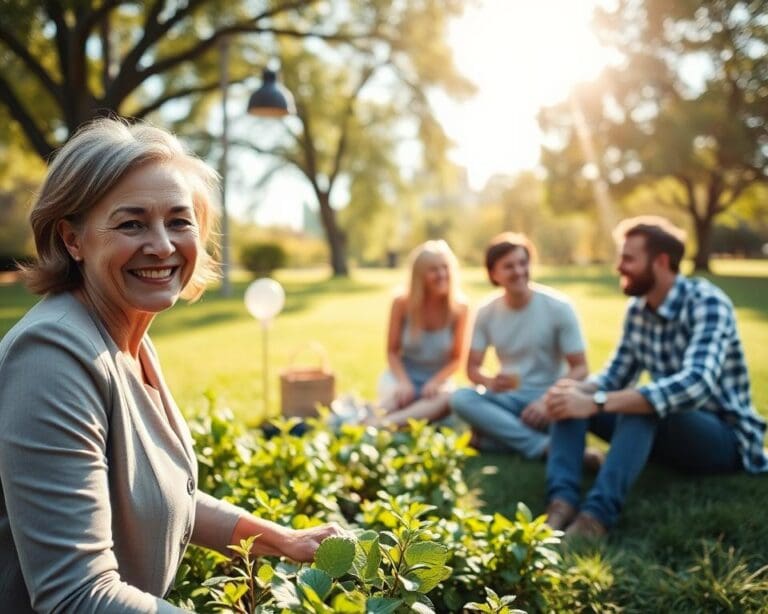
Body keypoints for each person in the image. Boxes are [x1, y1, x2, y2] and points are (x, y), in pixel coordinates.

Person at [0, 118, 346, 612]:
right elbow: (76, 595)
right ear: (73, 239)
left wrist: (283, 540)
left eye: (179, 221)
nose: (162, 245)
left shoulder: (129, 338)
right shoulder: (51, 357)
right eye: (132, 223)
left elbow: (150, 493)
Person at [544, 216, 768, 539]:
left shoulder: (708, 303)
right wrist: (580, 391)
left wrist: (596, 402)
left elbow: (696, 384)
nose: (619, 266)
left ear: (661, 262)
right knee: (569, 398)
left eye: (628, 259)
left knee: (643, 404)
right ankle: (561, 503)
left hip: (725, 438)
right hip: (671, 430)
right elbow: (616, 374)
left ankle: (594, 519)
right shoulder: (638, 310)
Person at [449, 232, 590, 459]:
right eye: (509, 266)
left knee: (570, 413)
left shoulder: (559, 307)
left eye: (523, 263)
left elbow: (581, 368)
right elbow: (472, 369)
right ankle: (540, 445)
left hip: (550, 396)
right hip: (509, 398)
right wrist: (489, 381)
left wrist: (546, 401)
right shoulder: (486, 312)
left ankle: (498, 438)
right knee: (461, 398)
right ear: (493, 274)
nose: (519, 271)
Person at [368, 240, 469, 427]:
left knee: (448, 398)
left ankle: (383, 425)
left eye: (445, 268)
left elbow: (457, 359)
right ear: (419, 275)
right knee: (397, 397)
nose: (441, 274)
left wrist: (435, 382)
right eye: (433, 270)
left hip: (437, 381)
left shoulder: (460, 308)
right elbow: (392, 352)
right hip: (402, 375)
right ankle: (379, 420)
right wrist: (404, 382)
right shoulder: (401, 303)